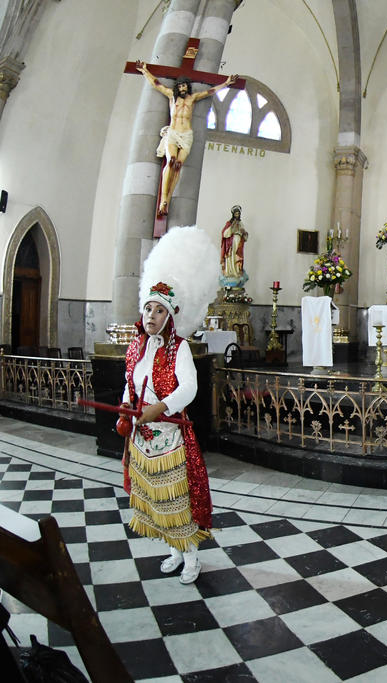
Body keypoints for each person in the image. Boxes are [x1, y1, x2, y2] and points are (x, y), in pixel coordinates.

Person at [121, 226, 220, 583]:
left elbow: (189, 389)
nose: (151, 316)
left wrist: (159, 408)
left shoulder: (180, 349)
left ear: (170, 316)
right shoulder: (135, 347)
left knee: (178, 499)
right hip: (142, 436)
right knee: (157, 500)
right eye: (147, 308)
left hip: (170, 437)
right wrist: (126, 410)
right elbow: (129, 382)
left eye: (159, 311)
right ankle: (174, 550)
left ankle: (192, 556)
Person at [136, 61, 237, 216]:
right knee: (171, 161)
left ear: (188, 87)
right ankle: (163, 200)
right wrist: (144, 71)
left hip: (187, 135)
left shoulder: (193, 98)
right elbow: (157, 84)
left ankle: (167, 202)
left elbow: (210, 92)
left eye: (185, 86)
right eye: (180, 86)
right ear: (177, 87)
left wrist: (226, 83)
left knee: (178, 166)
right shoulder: (172, 96)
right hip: (174, 133)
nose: (182, 88)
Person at [220, 205, 248, 285]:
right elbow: (224, 234)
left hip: (239, 243)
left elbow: (245, 236)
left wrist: (244, 233)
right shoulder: (229, 223)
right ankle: (230, 273)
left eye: (238, 214)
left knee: (237, 258)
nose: (237, 215)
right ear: (233, 214)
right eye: (235, 214)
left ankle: (237, 272)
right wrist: (232, 227)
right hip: (231, 244)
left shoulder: (241, 223)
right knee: (231, 257)